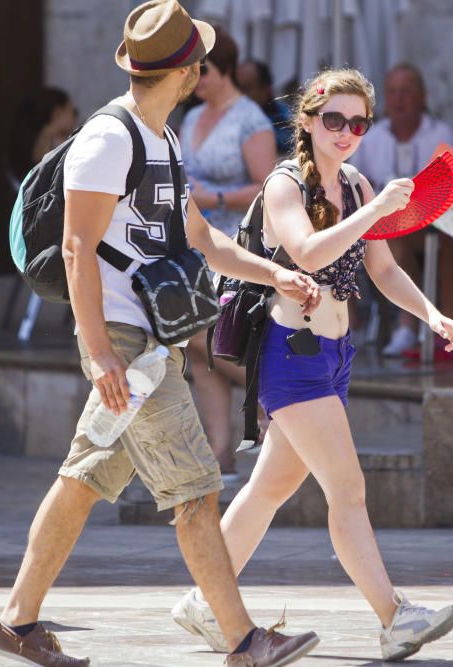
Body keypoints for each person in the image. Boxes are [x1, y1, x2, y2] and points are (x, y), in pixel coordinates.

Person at [0, 3, 322, 666]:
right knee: (196, 486)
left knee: (84, 477)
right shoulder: (109, 138)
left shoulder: (162, 138)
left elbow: (200, 237)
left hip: (147, 336)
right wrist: (102, 349)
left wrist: (272, 274)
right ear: (189, 70)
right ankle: (243, 639)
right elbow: (79, 246)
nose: (203, 67)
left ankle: (15, 622)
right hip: (126, 341)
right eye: (198, 57)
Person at [172, 68, 453, 661]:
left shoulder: (355, 185)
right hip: (292, 355)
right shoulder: (285, 185)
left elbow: (381, 270)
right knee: (348, 489)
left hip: (334, 357)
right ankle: (394, 617)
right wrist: (377, 208)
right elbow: (307, 251)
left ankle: (203, 602)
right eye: (335, 120)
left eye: (359, 123)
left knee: (268, 488)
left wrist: (430, 313)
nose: (347, 133)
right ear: (307, 121)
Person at [180, 27, 277, 479]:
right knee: (197, 345)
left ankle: (268, 402)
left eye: (203, 69)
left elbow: (267, 187)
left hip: (236, 244)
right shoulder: (189, 117)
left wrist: (213, 198)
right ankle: (219, 451)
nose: (195, 78)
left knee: (210, 340)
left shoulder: (250, 120)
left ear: (226, 69)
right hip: (194, 246)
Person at [349, 63, 453, 356]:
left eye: (406, 92)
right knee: (383, 238)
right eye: (393, 93)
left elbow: (452, 187)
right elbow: (353, 185)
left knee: (451, 244)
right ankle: (402, 327)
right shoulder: (371, 137)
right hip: (384, 227)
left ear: (422, 97)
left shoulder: (442, 133)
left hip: (435, 225)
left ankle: (446, 334)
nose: (398, 100)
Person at [7, 87, 78, 188]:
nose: (75, 118)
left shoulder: (19, 144)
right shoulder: (56, 143)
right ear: (57, 112)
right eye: (73, 111)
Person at [237, 59, 294, 155]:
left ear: (266, 89)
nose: (241, 95)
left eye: (246, 88)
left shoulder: (284, 117)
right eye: (237, 88)